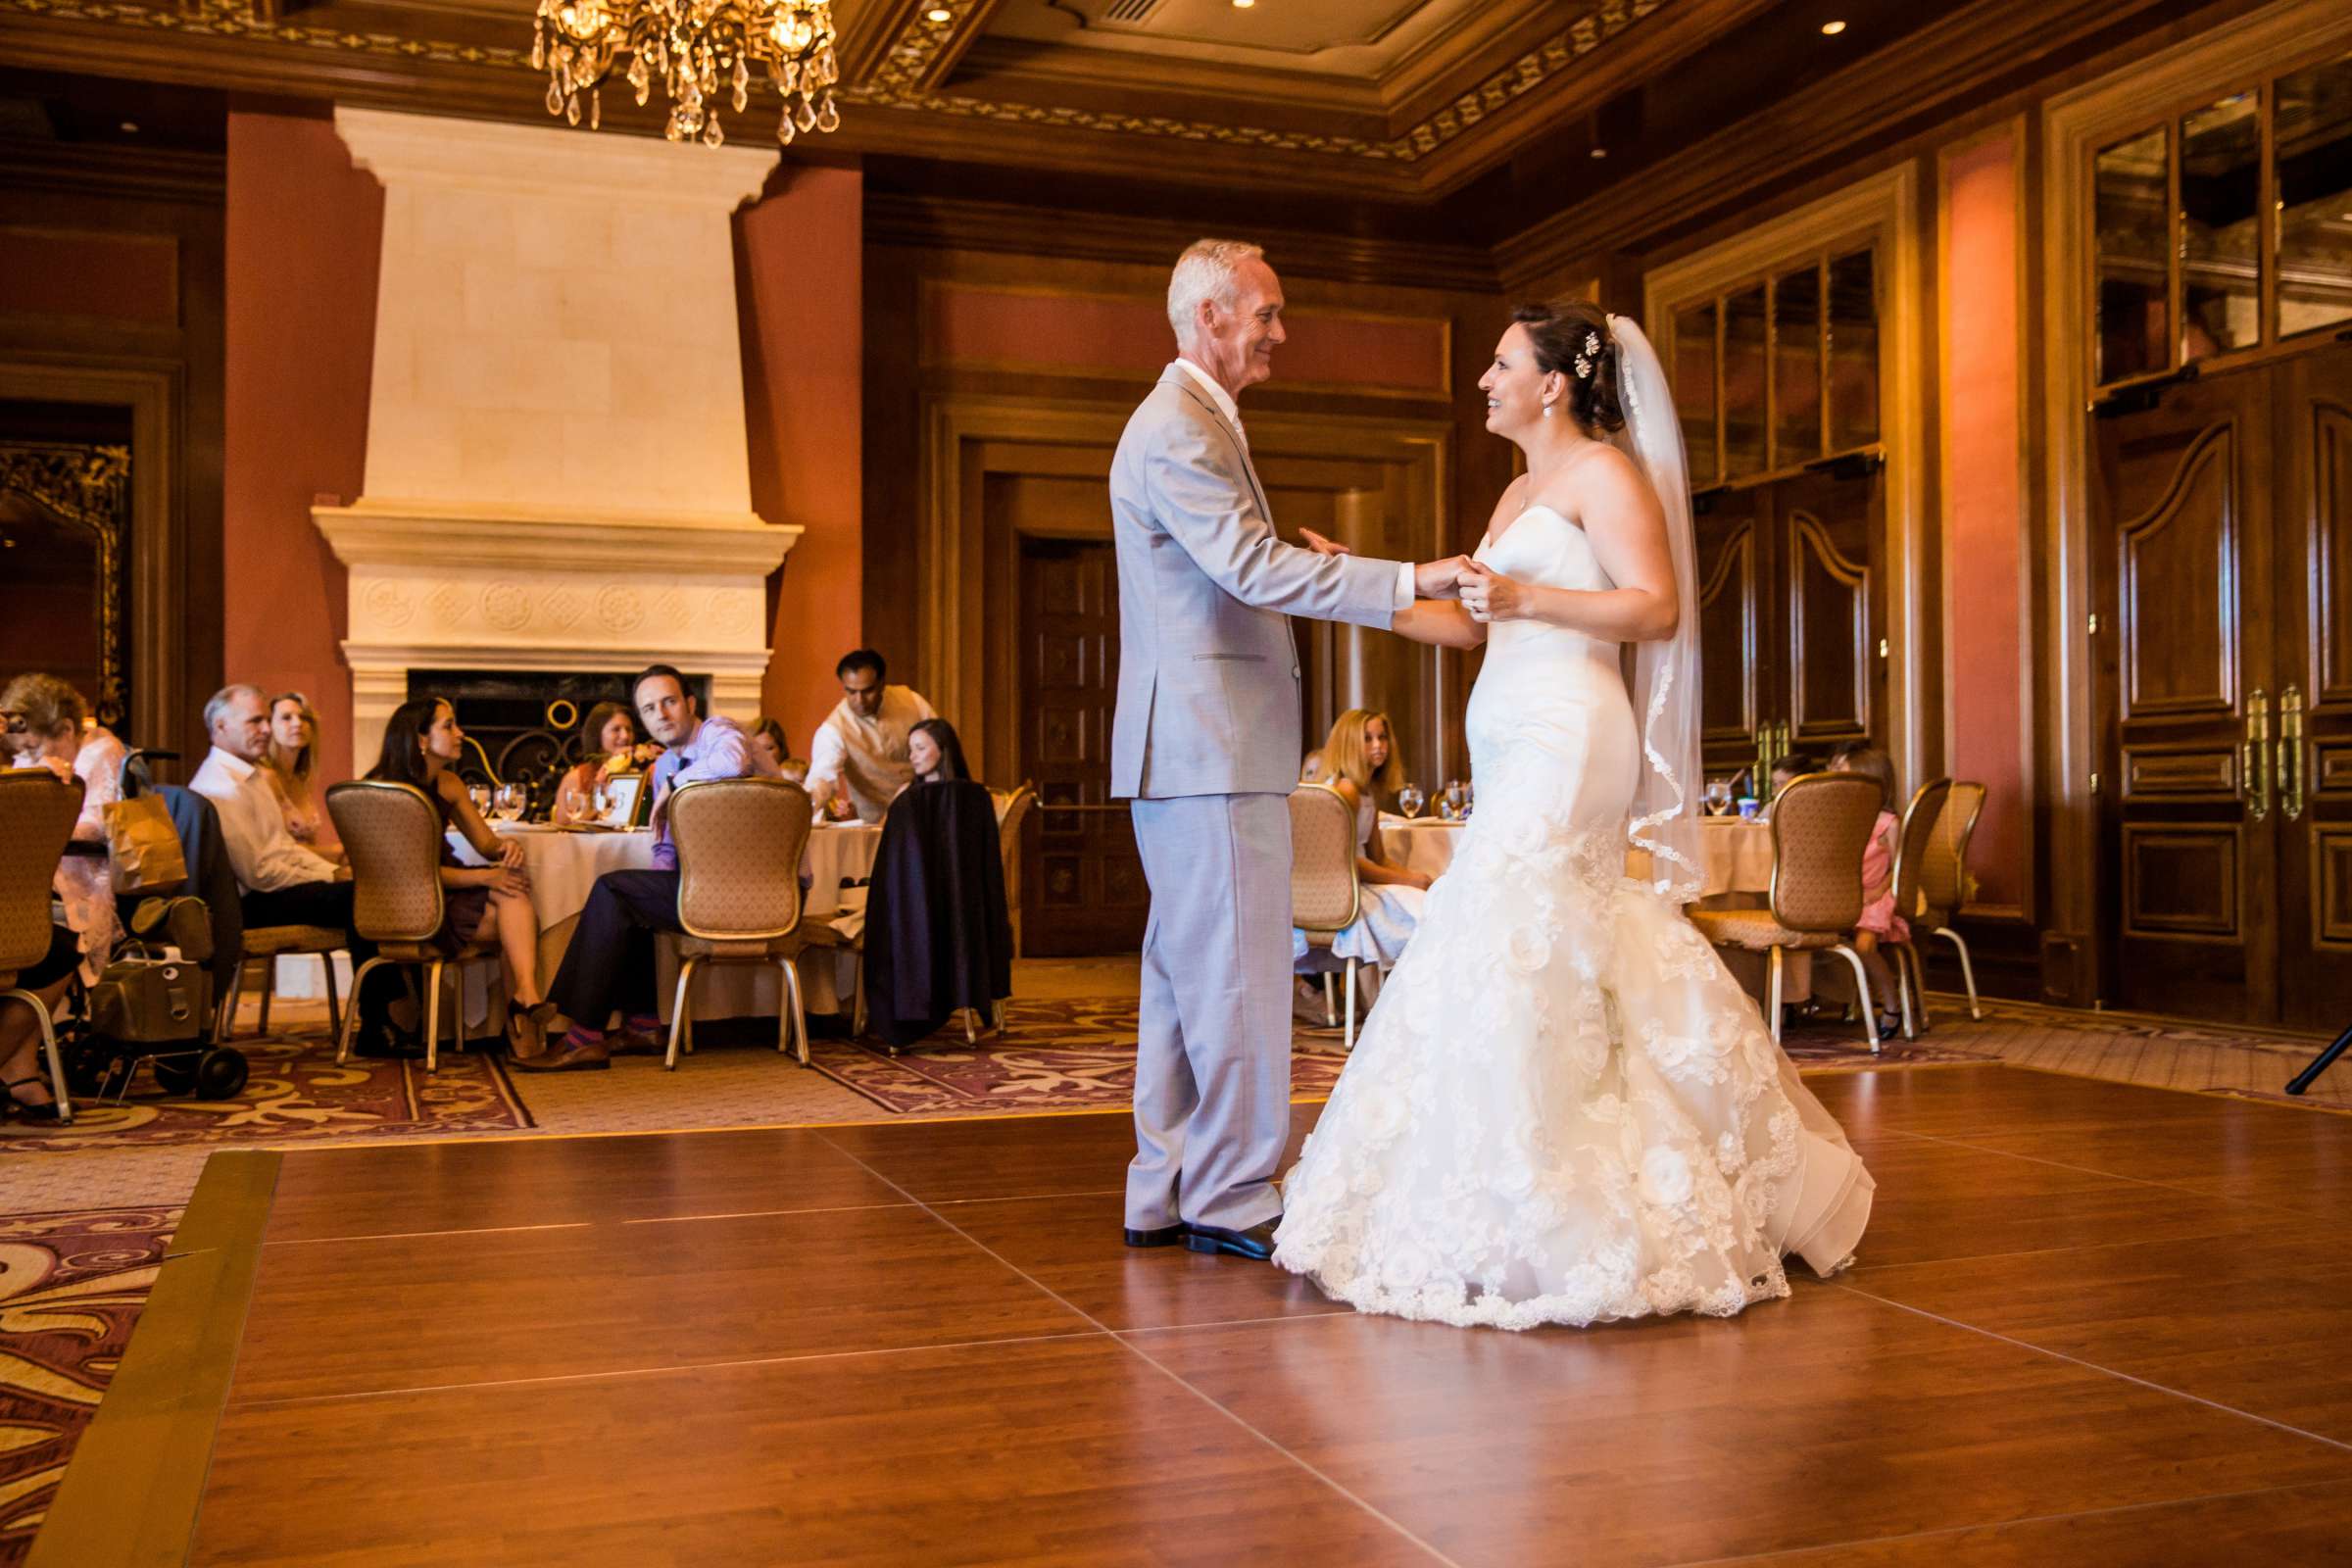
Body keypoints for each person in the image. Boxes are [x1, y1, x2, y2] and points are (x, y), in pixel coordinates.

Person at [1271, 302, 1874, 1328]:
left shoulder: (1606, 474)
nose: (1483, 380)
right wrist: (1347, 586)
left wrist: (1530, 600)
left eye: (1499, 363)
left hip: (1573, 733)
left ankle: (1569, 1193)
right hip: (1509, 734)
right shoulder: (1514, 491)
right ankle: (1518, 1173)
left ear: (1552, 383)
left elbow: (1657, 606)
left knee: (1521, 924)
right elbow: (1465, 626)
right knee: (1536, 943)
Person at [1110, 237, 1471, 1262]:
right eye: (1266, 313)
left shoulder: (1192, 422)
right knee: (1234, 977)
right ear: (1211, 317)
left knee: (1188, 980)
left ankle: (1167, 1183)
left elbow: (1234, 569)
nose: (1279, 331)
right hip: (1209, 750)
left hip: (1191, 751)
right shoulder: (1180, 426)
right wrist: (1407, 580)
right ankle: (1229, 1194)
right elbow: (1249, 570)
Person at [534, 665, 753, 1071]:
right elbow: (666, 849)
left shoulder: (719, 733)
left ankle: (582, 1037)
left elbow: (734, 762)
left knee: (612, 889)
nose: (662, 715)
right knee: (627, 899)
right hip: (705, 890)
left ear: (690, 703)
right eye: (649, 709)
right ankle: (643, 1025)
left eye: (669, 702)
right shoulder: (666, 763)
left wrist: (674, 784)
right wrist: (653, 882)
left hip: (759, 893)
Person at [189, 684, 400, 1052]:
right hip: (244, 905)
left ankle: (392, 1015)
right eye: (255, 721)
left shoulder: (250, 777)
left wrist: (331, 872)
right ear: (221, 726)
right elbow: (260, 873)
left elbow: (283, 848)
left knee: (363, 892)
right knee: (362, 898)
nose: (267, 729)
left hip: (266, 890)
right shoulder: (222, 787)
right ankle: (379, 1024)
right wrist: (330, 876)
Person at [367, 698, 558, 1059]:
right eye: (449, 726)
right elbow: (408, 876)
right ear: (421, 739)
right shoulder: (387, 791)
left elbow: (486, 844)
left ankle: (527, 996)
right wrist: (487, 878)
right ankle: (525, 1013)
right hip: (408, 905)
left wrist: (507, 848)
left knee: (511, 889)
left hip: (444, 889)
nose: (461, 733)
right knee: (511, 905)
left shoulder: (449, 782)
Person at [0, 673, 125, 1119]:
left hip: (68, 882)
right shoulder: (39, 771)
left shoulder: (98, 755)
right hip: (33, 888)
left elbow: (96, 827)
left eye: (35, 749)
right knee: (53, 945)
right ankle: (16, 1065)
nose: (28, 760)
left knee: (53, 944)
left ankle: (19, 1064)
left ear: (67, 731)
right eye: (24, 752)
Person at [1292, 708, 1427, 981]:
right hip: (1344, 891)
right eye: (1367, 738)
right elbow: (1345, 862)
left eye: (1382, 737)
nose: (1378, 746)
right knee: (1424, 912)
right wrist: (1410, 881)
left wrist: (1413, 878)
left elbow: (1378, 856)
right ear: (1349, 743)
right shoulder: (1346, 792)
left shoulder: (1366, 792)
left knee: (1427, 898)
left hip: (1358, 881)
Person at [803, 651, 935, 823]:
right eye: (851, 692)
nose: (860, 700)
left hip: (926, 813)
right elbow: (823, 778)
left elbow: (942, 747)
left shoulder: (912, 701)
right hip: (876, 824)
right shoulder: (833, 729)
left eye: (868, 691)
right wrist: (805, 807)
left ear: (882, 684)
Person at [1831, 746, 1906, 1035]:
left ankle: (1891, 1002)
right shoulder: (1839, 818)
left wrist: (1880, 890)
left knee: (1864, 946)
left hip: (1875, 894)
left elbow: (1898, 867)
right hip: (1842, 895)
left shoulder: (1888, 823)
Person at [553, 702, 661, 826]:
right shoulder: (577, 777)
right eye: (616, 729)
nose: (625, 736)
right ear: (597, 734)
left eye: (629, 730)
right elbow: (563, 824)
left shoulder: (644, 773)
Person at [263, 692, 341, 862]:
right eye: (286, 718)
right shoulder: (266, 777)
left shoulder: (301, 779)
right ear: (269, 727)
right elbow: (274, 850)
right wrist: (335, 852)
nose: (298, 723)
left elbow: (310, 844)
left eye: (304, 717)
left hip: (310, 869)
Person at [1760, 751, 1816, 820]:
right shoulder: (1771, 809)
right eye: (1774, 784)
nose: (1774, 793)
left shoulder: (1817, 810)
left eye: (1783, 785)